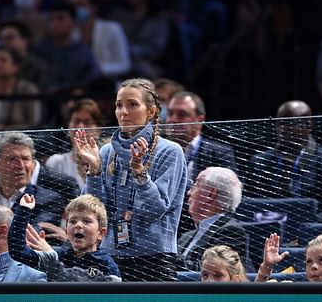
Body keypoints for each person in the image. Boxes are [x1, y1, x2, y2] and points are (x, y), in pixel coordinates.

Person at [74, 78, 187, 281]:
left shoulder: (170, 151)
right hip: (110, 256)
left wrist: (139, 173)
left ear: (151, 112)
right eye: (119, 105)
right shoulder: (107, 151)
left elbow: (155, 210)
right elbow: (93, 212)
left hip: (154, 259)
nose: (123, 112)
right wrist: (94, 171)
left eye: (132, 104)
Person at [0, 132, 65, 242]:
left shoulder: (50, 200)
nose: (20, 166)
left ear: (33, 164)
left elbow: (33, 238)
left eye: (25, 159)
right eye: (12, 159)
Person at [165, 91, 237, 235]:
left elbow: (226, 199)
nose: (173, 119)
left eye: (182, 114)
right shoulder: (154, 149)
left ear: (199, 120)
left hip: (202, 228)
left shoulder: (220, 153)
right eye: (170, 113)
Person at [247, 100, 322, 211]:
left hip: (312, 224)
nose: (283, 129)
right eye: (279, 123)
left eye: (290, 123)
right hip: (268, 223)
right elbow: (249, 206)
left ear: (308, 125)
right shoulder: (259, 162)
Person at [9, 194, 121, 282]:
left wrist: (52, 261)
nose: (78, 225)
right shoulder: (57, 254)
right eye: (72, 221)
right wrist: (24, 210)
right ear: (66, 230)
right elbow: (17, 251)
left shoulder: (107, 264)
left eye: (86, 221)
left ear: (101, 233)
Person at [177, 167, 246, 272]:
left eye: (195, 185)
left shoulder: (230, 232)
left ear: (210, 193)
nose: (189, 193)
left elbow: (210, 273)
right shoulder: (186, 236)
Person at [46, 99, 105, 190]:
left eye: (87, 122)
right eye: (76, 121)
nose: (80, 127)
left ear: (98, 130)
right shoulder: (56, 162)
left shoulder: (107, 161)